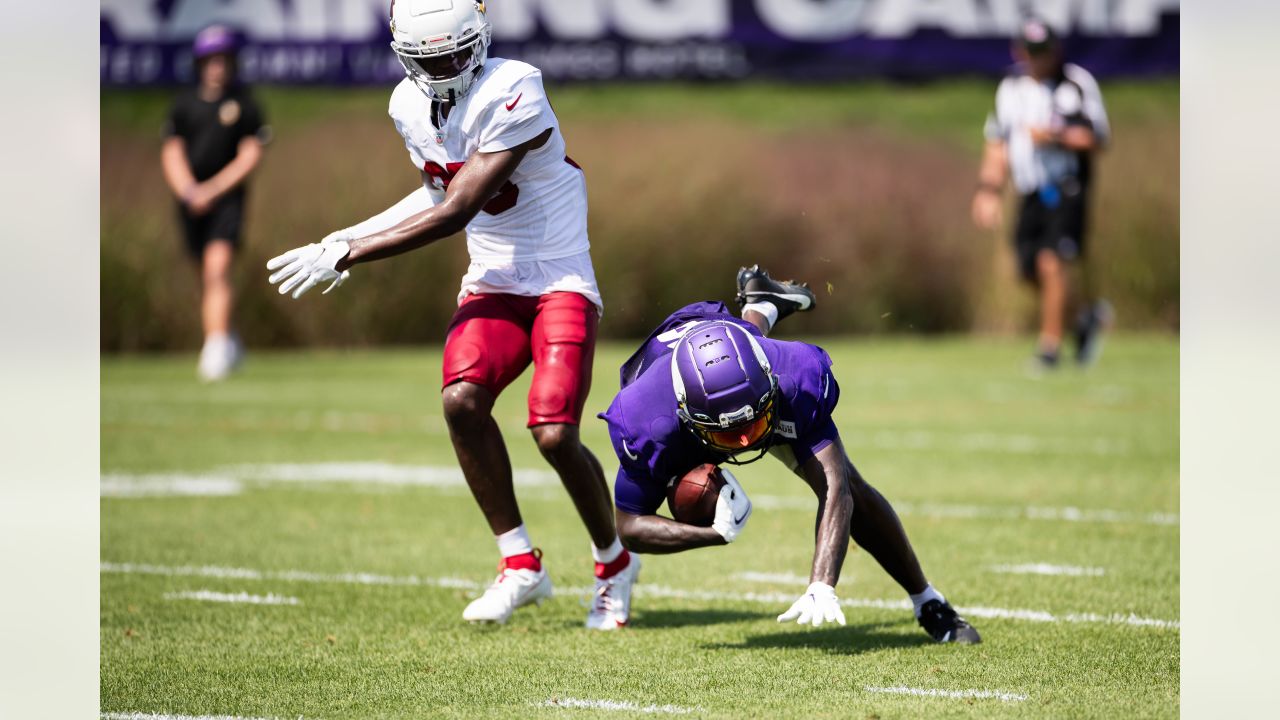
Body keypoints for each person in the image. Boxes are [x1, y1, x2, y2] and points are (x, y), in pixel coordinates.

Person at [266, 1, 632, 630]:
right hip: (492, 281)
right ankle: (520, 565)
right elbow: (437, 188)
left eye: (455, 53)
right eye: (430, 57)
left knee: (552, 431)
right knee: (461, 401)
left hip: (558, 280)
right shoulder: (406, 105)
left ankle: (614, 563)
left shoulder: (513, 85)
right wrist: (339, 238)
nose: (444, 68)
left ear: (480, 42)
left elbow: (457, 209)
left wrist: (350, 253)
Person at [597, 266, 981, 642]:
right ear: (685, 414)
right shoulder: (648, 420)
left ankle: (929, 602)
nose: (746, 442)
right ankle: (763, 304)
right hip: (680, 380)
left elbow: (835, 487)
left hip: (745, 379)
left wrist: (822, 584)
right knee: (689, 493)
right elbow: (630, 526)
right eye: (732, 436)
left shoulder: (793, 377)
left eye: (752, 427)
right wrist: (712, 534)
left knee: (852, 487)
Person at [971, 18, 1113, 370]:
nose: (1037, 60)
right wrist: (989, 191)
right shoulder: (1010, 87)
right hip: (1029, 189)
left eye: (1043, 53)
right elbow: (997, 142)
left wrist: (1055, 136)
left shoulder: (1075, 83)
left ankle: (1049, 349)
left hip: (1066, 186)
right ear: (1019, 52)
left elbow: (1097, 137)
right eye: (1030, 53)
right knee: (1027, 271)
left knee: (1052, 264)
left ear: (1055, 51)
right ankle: (1084, 318)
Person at [161, 25, 267, 381]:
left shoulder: (244, 103)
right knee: (203, 276)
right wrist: (189, 190)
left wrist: (214, 190)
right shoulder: (184, 104)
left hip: (226, 201)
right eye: (211, 60)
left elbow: (251, 154)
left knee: (217, 270)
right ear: (200, 63)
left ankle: (216, 347)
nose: (217, 67)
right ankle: (227, 336)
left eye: (224, 59)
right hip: (190, 202)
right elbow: (172, 151)